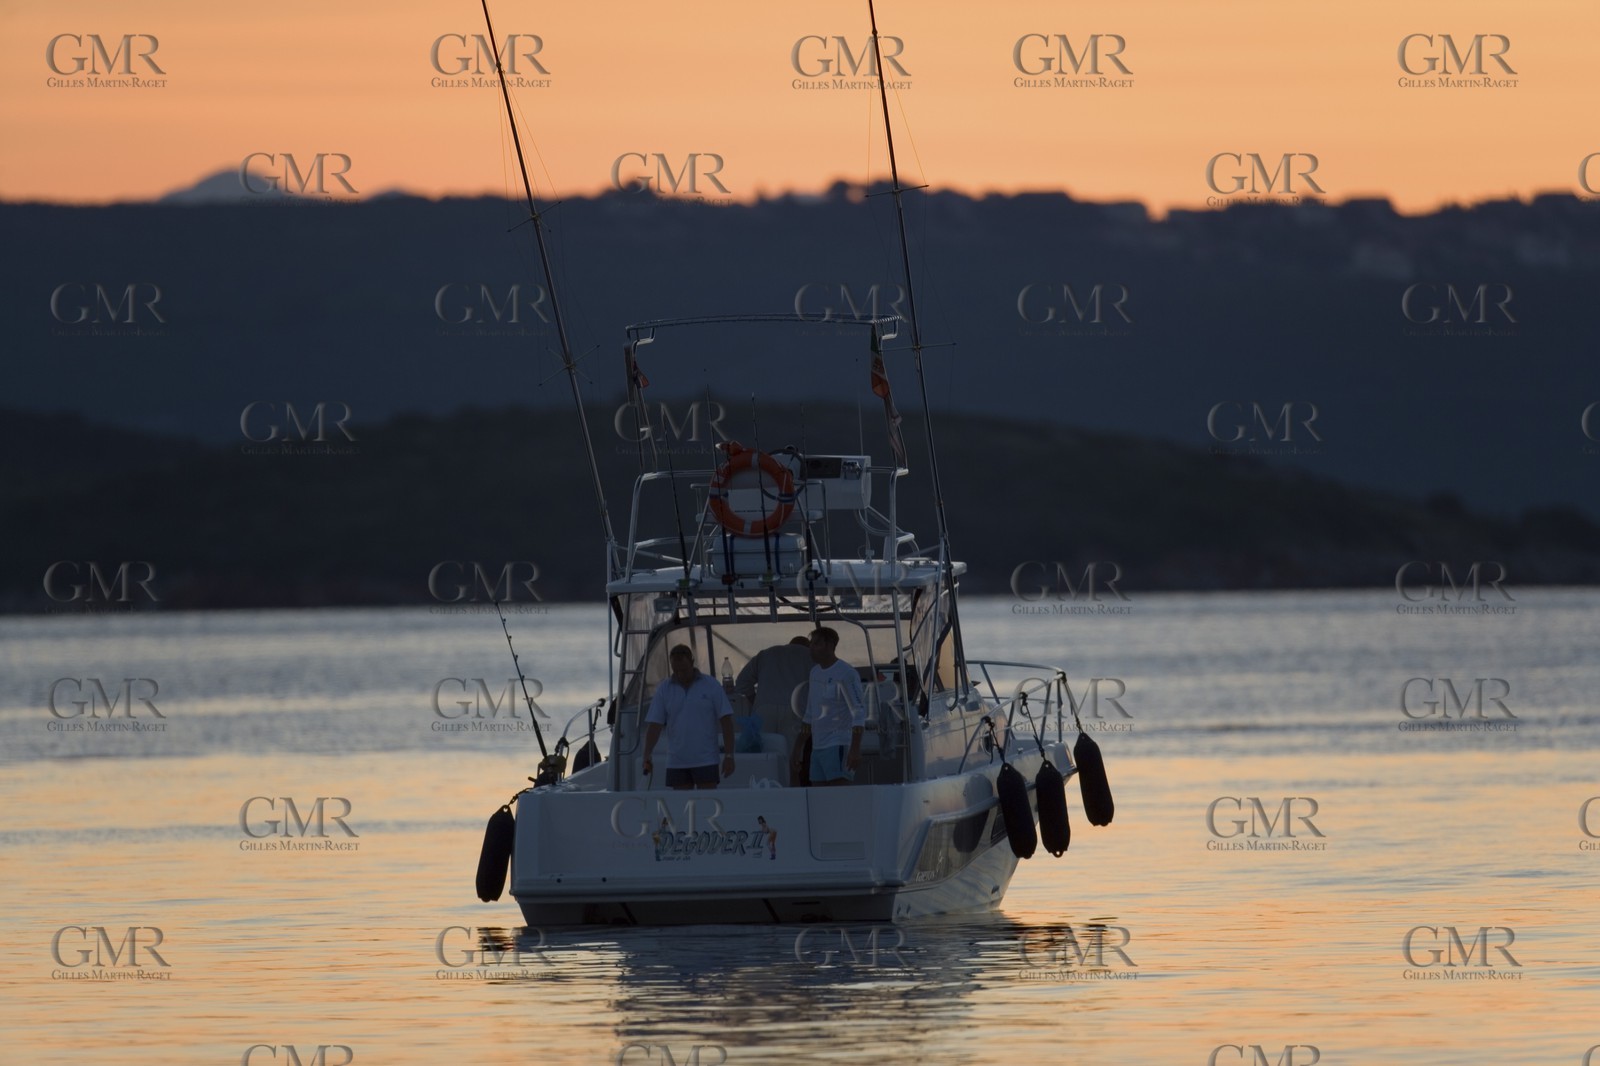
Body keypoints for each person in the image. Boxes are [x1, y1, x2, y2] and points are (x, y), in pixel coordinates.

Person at [642, 644, 736, 790]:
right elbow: (655, 725)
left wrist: (729, 756)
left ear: (692, 662)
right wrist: (647, 753)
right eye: (676, 671)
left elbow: (726, 721)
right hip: (677, 761)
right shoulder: (664, 689)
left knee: (708, 802)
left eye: (684, 670)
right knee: (681, 804)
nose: (680, 674)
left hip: (706, 760)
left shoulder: (711, 685)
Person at [796, 627, 866, 787]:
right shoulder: (814, 673)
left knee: (838, 795)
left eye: (817, 644)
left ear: (830, 645)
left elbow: (859, 712)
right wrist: (798, 748)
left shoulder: (846, 673)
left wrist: (855, 749)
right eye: (811, 644)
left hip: (838, 744)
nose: (811, 648)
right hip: (817, 747)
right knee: (817, 794)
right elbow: (809, 714)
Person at [734, 635, 812, 756]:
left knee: (764, 753)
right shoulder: (811, 656)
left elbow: (741, 682)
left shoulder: (766, 654)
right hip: (795, 710)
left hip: (764, 709)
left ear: (789, 643)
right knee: (792, 755)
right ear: (808, 646)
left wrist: (756, 701)